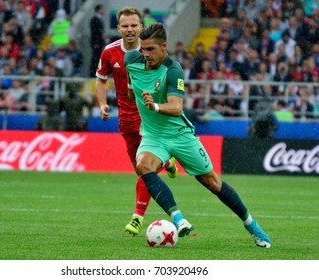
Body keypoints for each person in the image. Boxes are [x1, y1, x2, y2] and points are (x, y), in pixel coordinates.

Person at [124, 23, 271, 247]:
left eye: (151, 49)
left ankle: (251, 224)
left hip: (180, 135)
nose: (146, 54)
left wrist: (153, 106)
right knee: (143, 166)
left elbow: (176, 107)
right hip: (153, 136)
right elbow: (130, 82)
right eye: (143, 49)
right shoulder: (132, 61)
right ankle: (179, 219)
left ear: (164, 47)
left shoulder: (173, 70)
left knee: (212, 183)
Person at [95, 7, 178, 236]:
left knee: (145, 171)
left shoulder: (150, 50)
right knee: (140, 170)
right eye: (125, 26)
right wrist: (102, 104)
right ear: (118, 28)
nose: (130, 29)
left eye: (134, 25)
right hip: (127, 120)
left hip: (151, 117)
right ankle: (166, 162)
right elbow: (101, 81)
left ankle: (137, 217)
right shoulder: (110, 53)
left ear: (141, 27)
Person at [89, 4, 106, 77]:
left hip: (99, 42)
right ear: (99, 10)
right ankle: (93, 73)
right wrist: (95, 42)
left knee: (98, 58)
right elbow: (94, 32)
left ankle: (96, 72)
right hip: (97, 43)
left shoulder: (99, 19)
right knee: (95, 58)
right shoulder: (94, 19)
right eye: (102, 9)